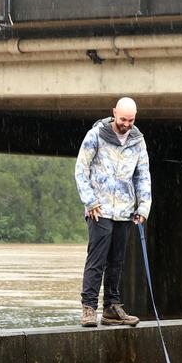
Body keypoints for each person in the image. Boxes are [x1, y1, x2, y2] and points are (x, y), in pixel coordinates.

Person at [73, 97, 151, 328]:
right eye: (122, 119)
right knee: (97, 260)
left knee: (117, 261)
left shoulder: (138, 141)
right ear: (114, 113)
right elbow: (81, 169)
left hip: (125, 211)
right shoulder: (96, 135)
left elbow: (143, 175)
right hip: (100, 209)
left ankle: (111, 308)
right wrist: (90, 201)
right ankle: (88, 308)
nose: (126, 124)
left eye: (131, 120)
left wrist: (143, 206)